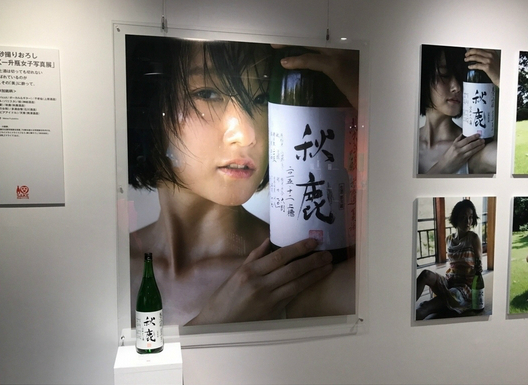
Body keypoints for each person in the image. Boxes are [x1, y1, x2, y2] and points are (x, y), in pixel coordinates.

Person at [126, 36, 357, 326]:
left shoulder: (292, 273)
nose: (246, 134)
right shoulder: (110, 264)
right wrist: (213, 323)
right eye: (207, 93)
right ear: (149, 105)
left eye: (259, 99)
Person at [418, 45, 499, 174]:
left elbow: (513, 159)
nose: (457, 87)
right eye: (445, 75)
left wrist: (501, 80)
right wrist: (443, 167)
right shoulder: (404, 142)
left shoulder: (472, 147)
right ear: (424, 77)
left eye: (461, 78)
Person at [415, 199, 483, 320]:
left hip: (464, 288)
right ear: (456, 218)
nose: (468, 221)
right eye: (463, 217)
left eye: (470, 217)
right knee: (425, 274)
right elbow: (452, 265)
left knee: (425, 308)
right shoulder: (449, 239)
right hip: (450, 282)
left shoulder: (473, 238)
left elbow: (479, 268)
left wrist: (475, 268)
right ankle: (405, 304)